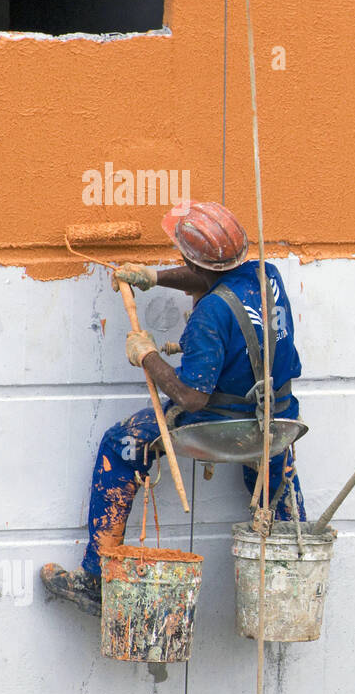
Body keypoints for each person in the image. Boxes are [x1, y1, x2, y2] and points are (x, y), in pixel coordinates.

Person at [41, 200, 305, 615]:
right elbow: (213, 277)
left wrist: (147, 355)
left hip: (223, 424)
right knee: (272, 464)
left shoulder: (209, 316)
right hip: (278, 416)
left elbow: (192, 397)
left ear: (194, 262)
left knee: (122, 442)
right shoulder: (267, 274)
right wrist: (154, 277)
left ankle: (96, 579)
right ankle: (294, 572)